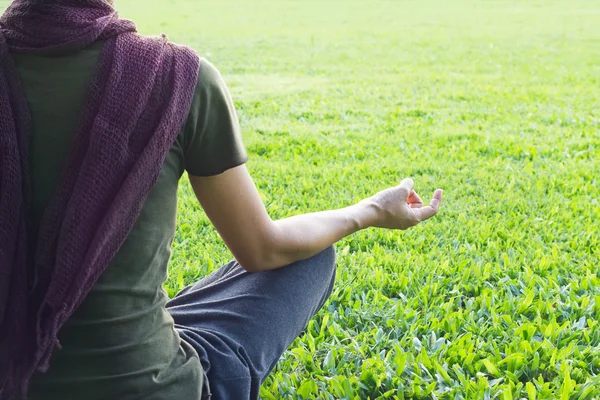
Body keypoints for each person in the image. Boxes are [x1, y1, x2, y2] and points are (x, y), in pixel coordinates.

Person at [0, 0, 443, 399]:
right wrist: (370, 210)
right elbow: (262, 249)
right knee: (308, 260)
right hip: (149, 384)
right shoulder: (173, 75)